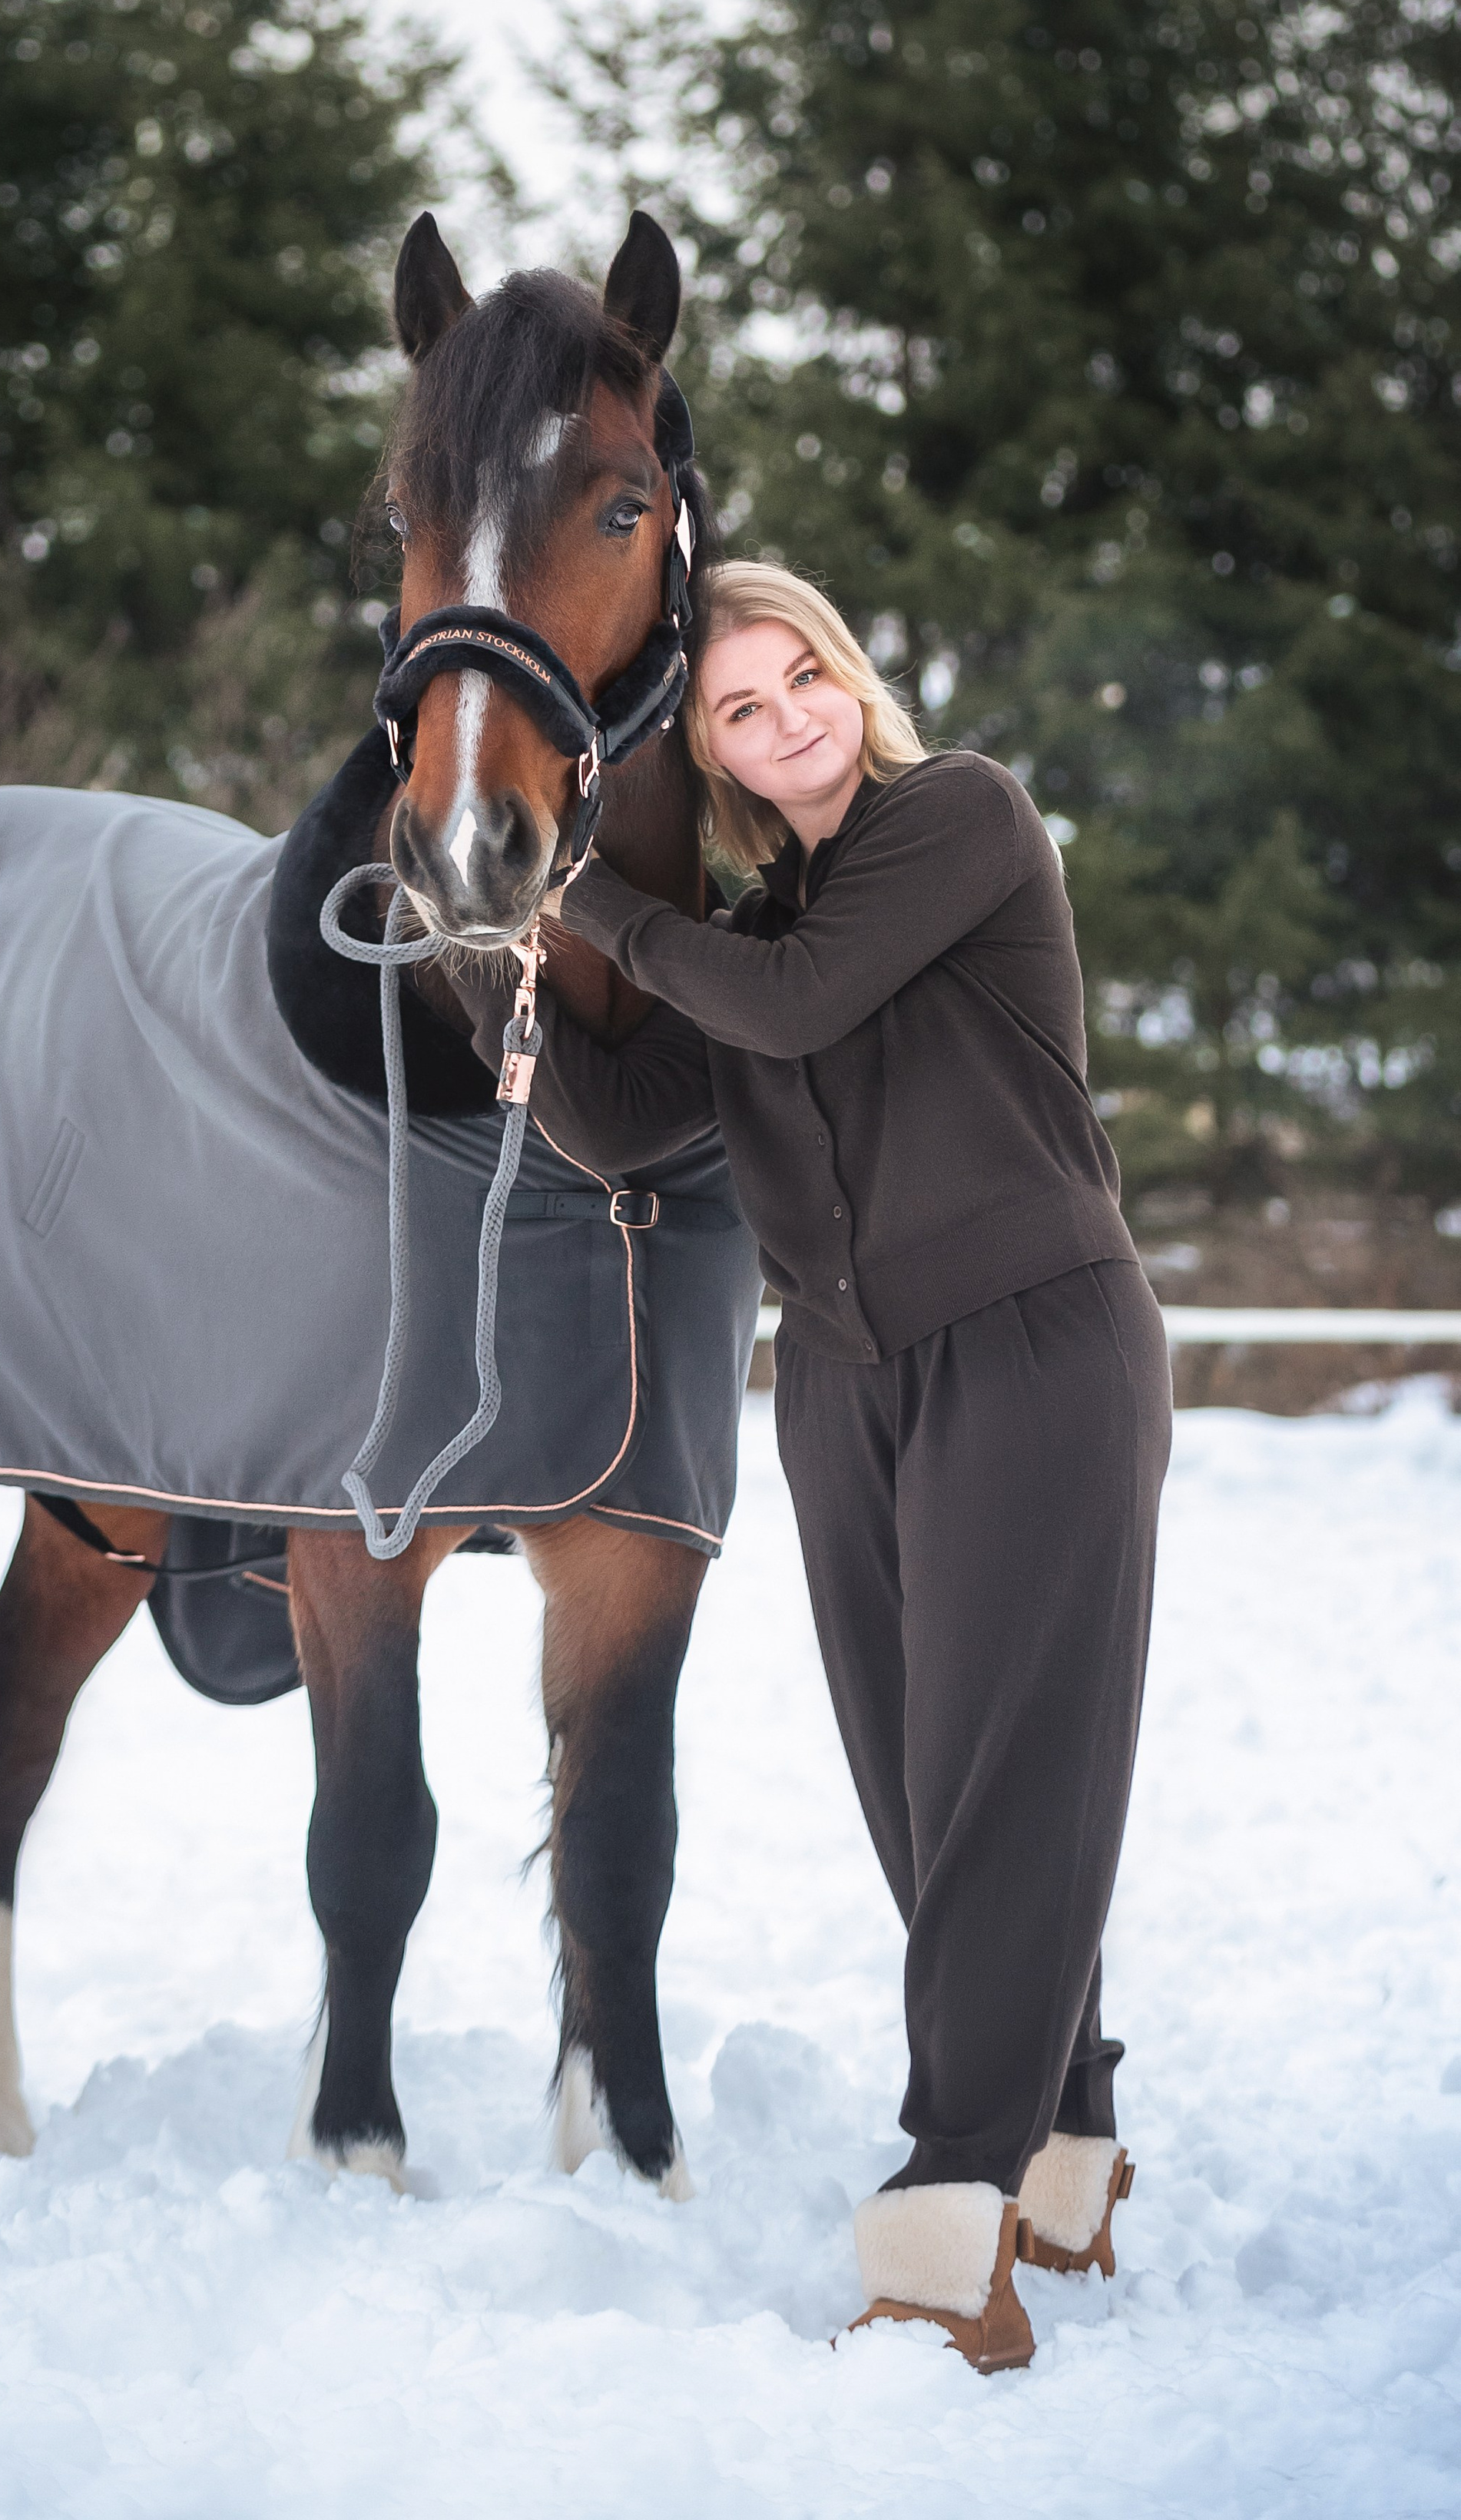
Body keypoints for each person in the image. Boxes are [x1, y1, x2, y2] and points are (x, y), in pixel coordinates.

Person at [494, 558, 1169, 2373]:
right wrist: (525, 971)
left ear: (847, 680)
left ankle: (952, 2225)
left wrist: (608, 916)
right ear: (707, 748)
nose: (782, 716)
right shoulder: (755, 923)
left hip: (1033, 1345)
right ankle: (1067, 2143)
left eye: (800, 678)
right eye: (737, 703)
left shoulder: (958, 820)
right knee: (926, 1790)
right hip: (845, 1386)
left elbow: (789, 1005)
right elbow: (638, 1117)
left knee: (1006, 1772)